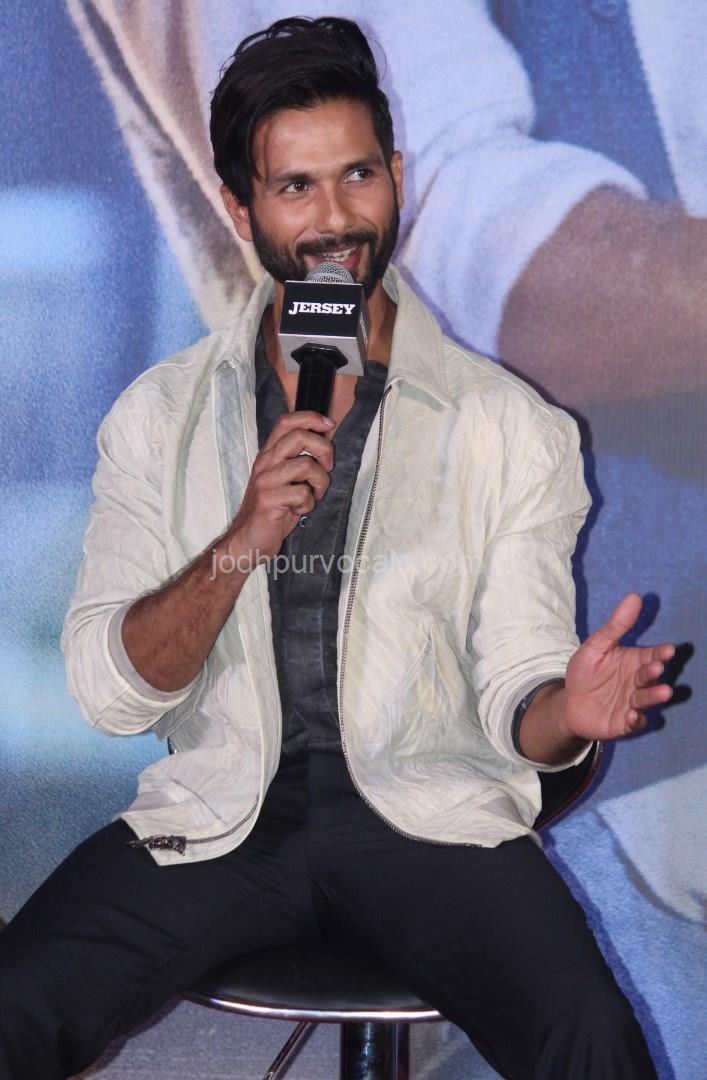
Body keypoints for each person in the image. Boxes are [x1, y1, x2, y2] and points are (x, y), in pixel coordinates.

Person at [0, 17, 674, 1079]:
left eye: (357, 174)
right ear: (241, 209)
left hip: (431, 816)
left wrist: (568, 714)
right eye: (295, 187)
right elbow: (111, 690)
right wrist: (243, 540)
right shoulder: (160, 419)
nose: (334, 219)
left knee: (588, 1035)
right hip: (223, 818)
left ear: (396, 175)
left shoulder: (508, 425)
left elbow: (518, 687)